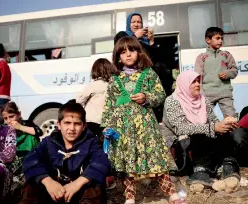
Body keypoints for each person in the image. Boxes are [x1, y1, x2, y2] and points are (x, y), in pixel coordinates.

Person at [101, 36, 185, 204]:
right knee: (128, 163)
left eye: (131, 50)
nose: (128, 55)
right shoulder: (114, 80)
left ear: (139, 53)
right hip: (123, 129)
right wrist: (106, 126)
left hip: (146, 127)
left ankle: (171, 194)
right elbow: (109, 105)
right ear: (118, 57)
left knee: (157, 159)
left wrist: (147, 98)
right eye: (123, 52)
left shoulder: (148, 74)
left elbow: (160, 94)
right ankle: (130, 197)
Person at [20, 102, 111, 204]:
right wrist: (47, 181)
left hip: (79, 193)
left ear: (84, 126)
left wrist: (78, 182)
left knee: (94, 184)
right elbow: (30, 160)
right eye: (67, 123)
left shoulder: (92, 143)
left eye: (77, 124)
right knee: (32, 182)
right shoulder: (48, 142)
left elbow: (102, 162)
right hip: (54, 192)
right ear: (59, 125)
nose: (72, 128)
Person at [162, 70, 240, 187]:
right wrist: (213, 128)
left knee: (228, 134)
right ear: (184, 84)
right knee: (199, 137)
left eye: (198, 81)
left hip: (201, 142)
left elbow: (213, 121)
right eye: (193, 82)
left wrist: (224, 125)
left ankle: (227, 168)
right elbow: (181, 129)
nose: (198, 84)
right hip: (180, 145)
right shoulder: (172, 101)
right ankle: (200, 172)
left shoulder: (203, 99)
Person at [114, 12, 175, 122]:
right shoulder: (122, 35)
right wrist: (134, 37)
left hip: (144, 78)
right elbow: (119, 46)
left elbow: (154, 61)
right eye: (133, 22)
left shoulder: (145, 41)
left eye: (139, 22)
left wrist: (151, 41)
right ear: (128, 23)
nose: (136, 24)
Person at [195, 27, 238, 118]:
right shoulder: (201, 57)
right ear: (208, 40)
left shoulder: (226, 55)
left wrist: (227, 73)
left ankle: (230, 133)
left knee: (231, 119)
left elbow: (234, 70)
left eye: (221, 38)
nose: (220, 40)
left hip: (225, 93)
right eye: (217, 38)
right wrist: (201, 94)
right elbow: (198, 77)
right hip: (207, 94)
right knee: (205, 119)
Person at [76, 58, 115, 139]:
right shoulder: (112, 85)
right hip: (106, 121)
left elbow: (79, 100)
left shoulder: (94, 85)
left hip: (91, 121)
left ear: (95, 70)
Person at [2, 101, 42, 174]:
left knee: (31, 136)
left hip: (31, 154)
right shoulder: (5, 128)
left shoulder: (26, 123)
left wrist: (20, 127)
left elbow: (39, 132)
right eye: (5, 118)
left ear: (19, 114)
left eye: (11, 116)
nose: (9, 121)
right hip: (16, 159)